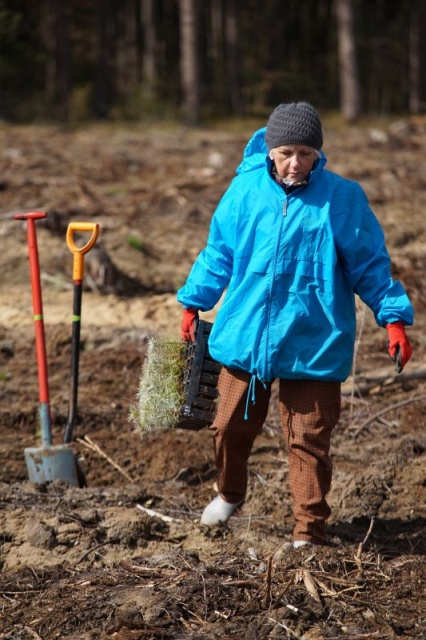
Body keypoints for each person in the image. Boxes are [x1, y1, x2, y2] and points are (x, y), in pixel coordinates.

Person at [177, 102, 414, 548]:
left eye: (305, 153)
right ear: (270, 150)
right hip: (246, 334)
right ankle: (229, 493)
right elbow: (219, 254)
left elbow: (370, 266)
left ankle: (309, 531)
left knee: (309, 439)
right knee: (228, 426)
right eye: (286, 152)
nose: (295, 163)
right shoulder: (244, 192)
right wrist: (193, 302)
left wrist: (394, 319)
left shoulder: (342, 198)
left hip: (314, 339)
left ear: (318, 153)